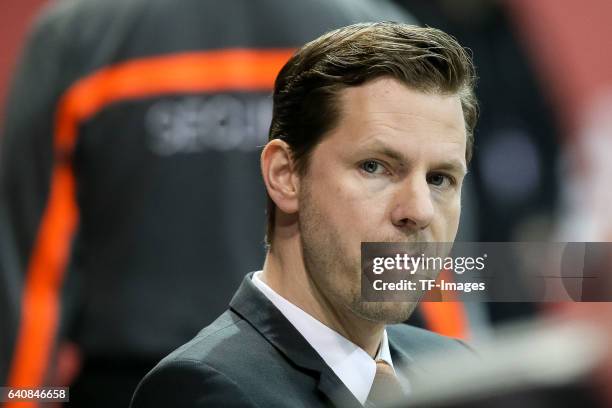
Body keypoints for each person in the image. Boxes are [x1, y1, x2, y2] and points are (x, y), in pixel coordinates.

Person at [0, 0, 414, 405]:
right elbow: (437, 276)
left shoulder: (76, 36)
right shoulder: (375, 30)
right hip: (313, 379)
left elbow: (31, 279)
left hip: (126, 384)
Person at [131, 21, 478, 408]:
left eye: (439, 178)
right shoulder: (205, 390)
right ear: (285, 176)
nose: (418, 210)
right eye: (374, 167)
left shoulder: (459, 370)